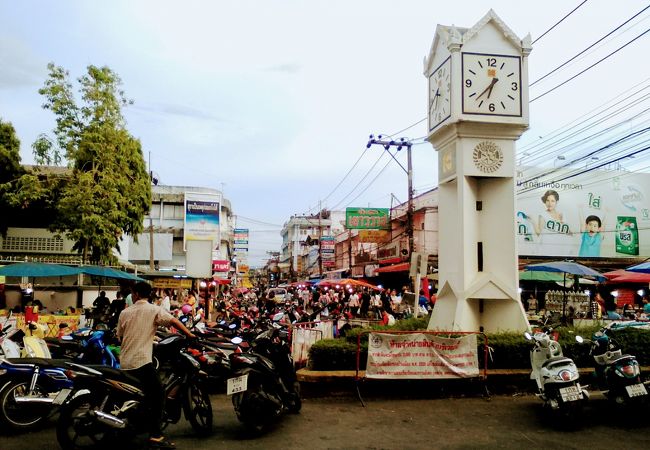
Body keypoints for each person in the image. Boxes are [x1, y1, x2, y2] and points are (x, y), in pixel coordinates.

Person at [117, 281, 195, 449]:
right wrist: (189, 335)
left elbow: (121, 337)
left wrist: (148, 338)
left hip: (124, 361)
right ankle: (156, 435)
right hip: (141, 362)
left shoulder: (125, 312)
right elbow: (174, 321)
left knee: (144, 393)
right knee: (159, 395)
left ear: (135, 294)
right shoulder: (154, 310)